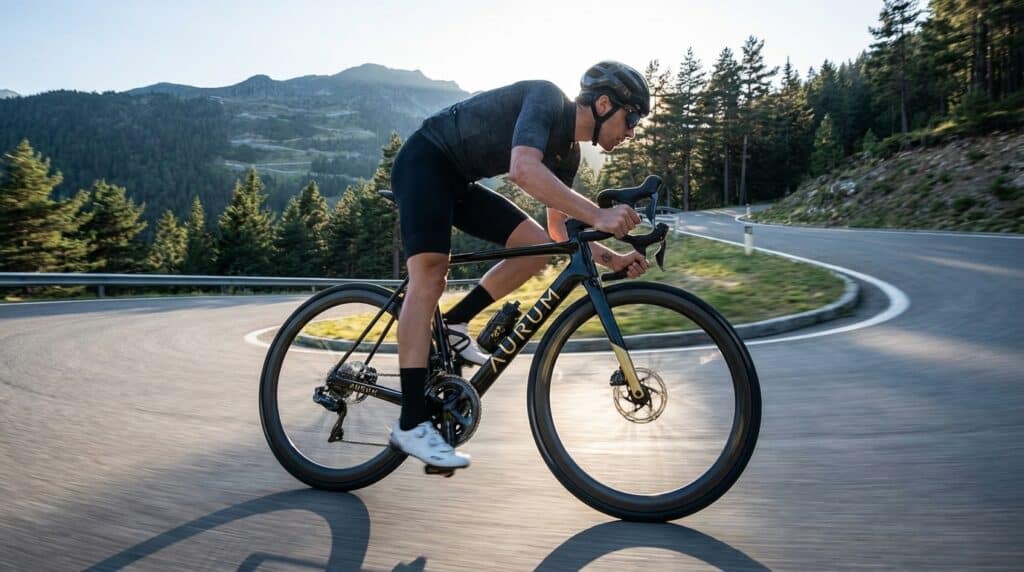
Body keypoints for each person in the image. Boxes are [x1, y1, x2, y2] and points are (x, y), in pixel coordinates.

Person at [388, 61, 653, 470]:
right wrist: (600, 215)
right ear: (604, 104)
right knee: (430, 274)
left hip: (457, 182)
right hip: (425, 161)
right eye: (631, 118)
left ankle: (456, 323)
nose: (632, 131)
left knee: (536, 247)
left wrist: (612, 259)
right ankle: (411, 424)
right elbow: (523, 169)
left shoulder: (568, 154)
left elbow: (559, 231)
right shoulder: (546, 98)